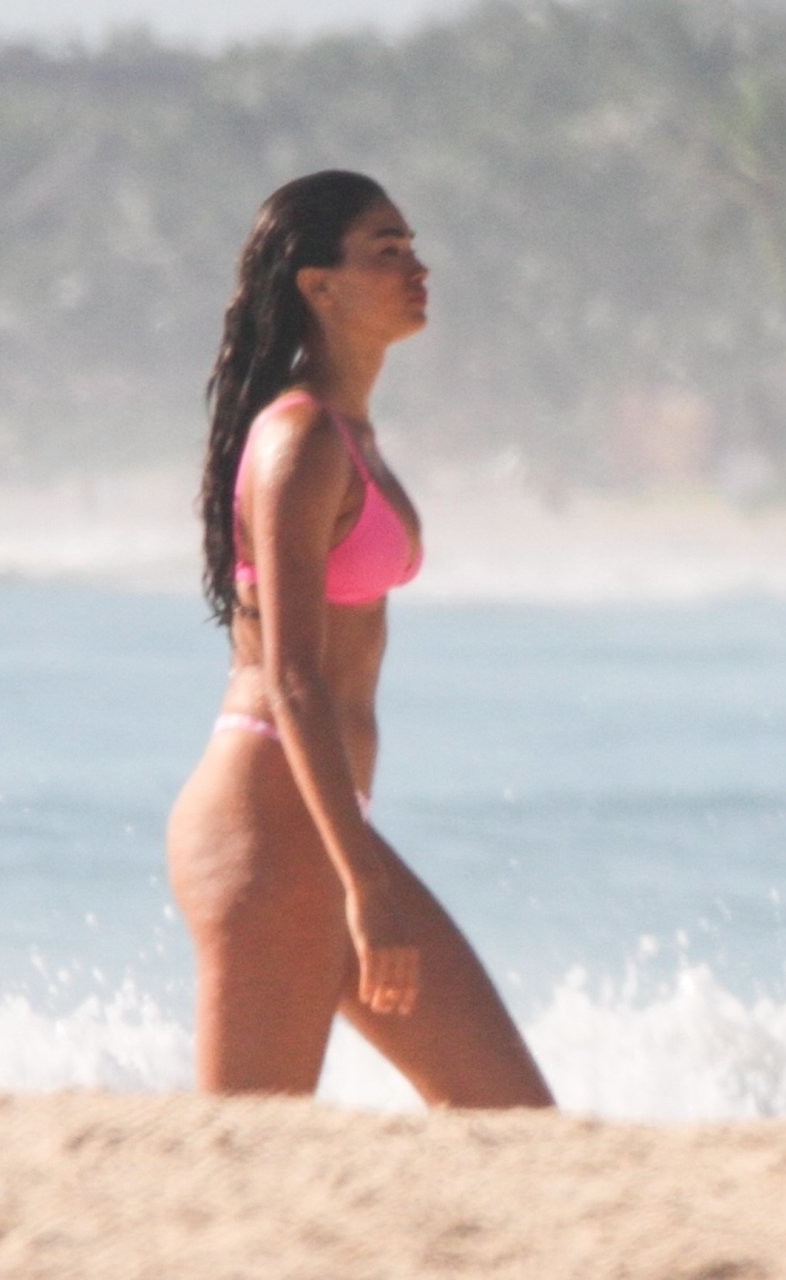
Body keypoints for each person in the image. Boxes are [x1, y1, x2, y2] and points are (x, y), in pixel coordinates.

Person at [166, 170, 554, 1109]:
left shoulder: (347, 435)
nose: (417, 267)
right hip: (267, 830)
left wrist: (357, 863)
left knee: (513, 1119)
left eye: (413, 246)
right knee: (246, 1150)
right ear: (320, 285)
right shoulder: (299, 441)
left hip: (325, 830)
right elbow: (293, 677)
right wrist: (364, 882)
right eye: (387, 250)